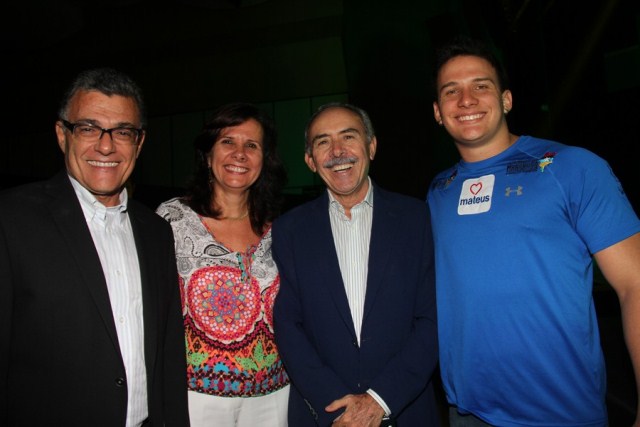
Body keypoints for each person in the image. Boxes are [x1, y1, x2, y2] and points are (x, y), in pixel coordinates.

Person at [428, 35, 640, 426]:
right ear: (438, 112)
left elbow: (635, 284)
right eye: (451, 91)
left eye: (481, 86)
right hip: (467, 414)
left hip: (560, 414)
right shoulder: (437, 192)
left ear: (506, 99)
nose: (467, 100)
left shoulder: (572, 168)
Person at [0, 68, 189, 426]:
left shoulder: (156, 232)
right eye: (88, 128)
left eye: (122, 131)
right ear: (61, 135)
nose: (106, 145)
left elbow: (167, 357)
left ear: (139, 142)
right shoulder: (10, 221)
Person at [272, 102, 440, 427]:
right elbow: (289, 326)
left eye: (349, 136)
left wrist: (380, 399)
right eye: (323, 142)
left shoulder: (417, 218)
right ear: (310, 160)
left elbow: (432, 319)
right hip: (326, 416)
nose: (337, 151)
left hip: (405, 411)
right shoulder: (288, 230)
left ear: (371, 146)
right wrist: (338, 409)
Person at [156, 102, 290, 427]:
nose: (240, 154)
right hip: (197, 397)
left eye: (252, 145)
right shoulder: (173, 219)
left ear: (264, 159)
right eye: (228, 142)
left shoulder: (281, 229)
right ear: (207, 154)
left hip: (273, 395)